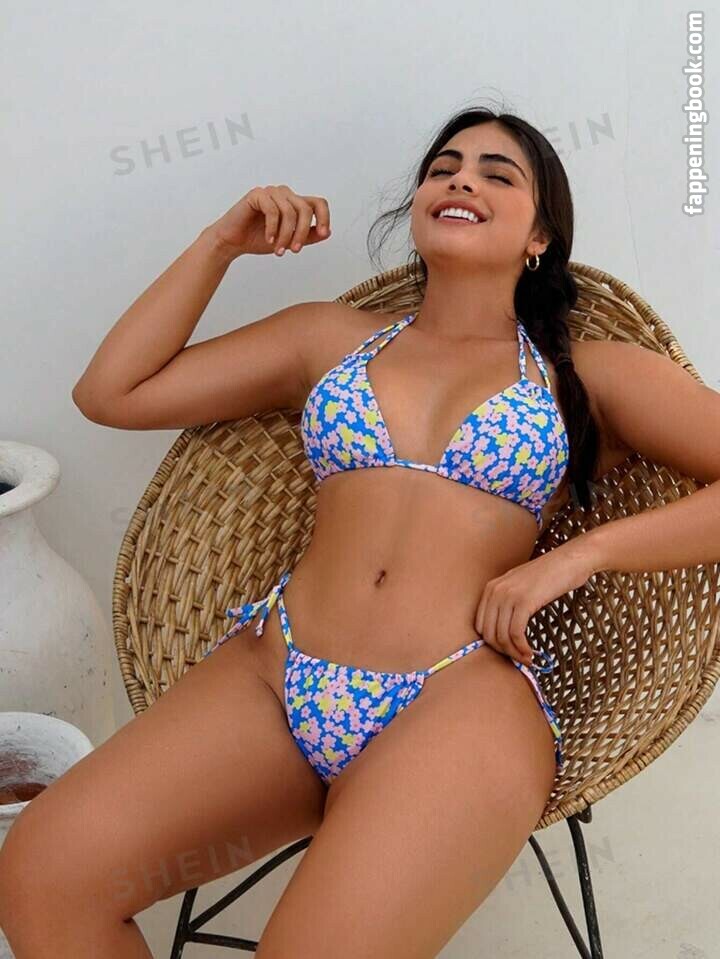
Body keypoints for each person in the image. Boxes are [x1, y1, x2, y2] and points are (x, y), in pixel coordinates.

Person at [0, 107, 646, 957]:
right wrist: (221, 244)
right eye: (445, 166)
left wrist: (579, 555)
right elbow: (110, 393)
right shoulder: (327, 340)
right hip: (278, 679)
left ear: (541, 236)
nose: (461, 178)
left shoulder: (581, 376)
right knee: (45, 872)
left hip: (460, 698)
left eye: (499, 174)